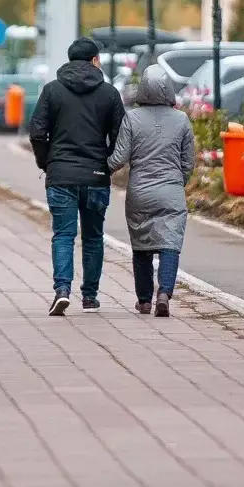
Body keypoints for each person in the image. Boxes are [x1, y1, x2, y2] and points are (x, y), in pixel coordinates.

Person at [29, 37, 126, 316]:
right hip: (96, 176)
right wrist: (107, 163)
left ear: (70, 60)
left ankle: (62, 290)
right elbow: (121, 136)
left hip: (60, 175)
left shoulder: (52, 91)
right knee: (94, 237)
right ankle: (90, 297)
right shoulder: (109, 94)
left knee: (63, 235)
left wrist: (47, 162)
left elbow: (37, 132)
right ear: (95, 60)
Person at [106, 66, 196, 317]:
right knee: (170, 244)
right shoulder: (182, 120)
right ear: (168, 89)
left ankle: (144, 300)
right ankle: (164, 293)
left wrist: (98, 167)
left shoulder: (132, 119)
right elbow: (188, 162)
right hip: (171, 191)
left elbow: (119, 158)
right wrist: (178, 182)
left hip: (139, 193)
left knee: (142, 246)